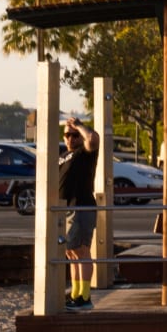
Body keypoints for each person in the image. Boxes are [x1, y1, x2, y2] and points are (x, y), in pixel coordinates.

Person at [58, 117, 100, 311]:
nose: (71, 139)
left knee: (82, 251)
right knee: (71, 252)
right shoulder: (64, 155)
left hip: (82, 206)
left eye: (74, 135)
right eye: (67, 135)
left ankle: (85, 297)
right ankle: (75, 294)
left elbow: (93, 139)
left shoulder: (85, 153)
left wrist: (80, 126)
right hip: (65, 208)